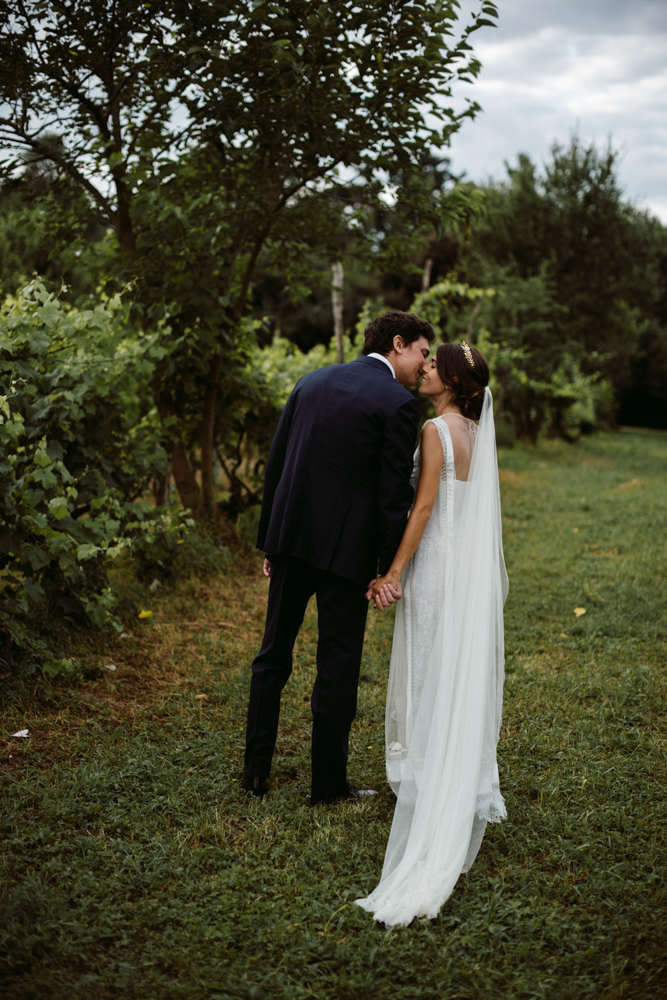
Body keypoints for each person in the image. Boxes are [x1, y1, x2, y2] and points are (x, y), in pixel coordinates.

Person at [242, 310, 435, 805]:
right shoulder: (399, 403)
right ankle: (327, 786)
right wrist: (387, 567)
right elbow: (392, 495)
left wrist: (271, 540)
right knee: (337, 665)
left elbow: (278, 462)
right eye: (422, 352)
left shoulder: (312, 380)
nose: (424, 363)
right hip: (345, 556)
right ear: (397, 343)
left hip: (291, 538)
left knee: (271, 656)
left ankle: (254, 772)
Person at [356, 342, 509, 926]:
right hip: (466, 570)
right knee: (456, 669)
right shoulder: (475, 431)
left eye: (433, 366)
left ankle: (422, 776)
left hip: (436, 568)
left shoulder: (433, 430)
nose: (424, 370)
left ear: (449, 380)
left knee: (424, 666)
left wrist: (393, 571)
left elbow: (422, 510)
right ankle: (459, 767)